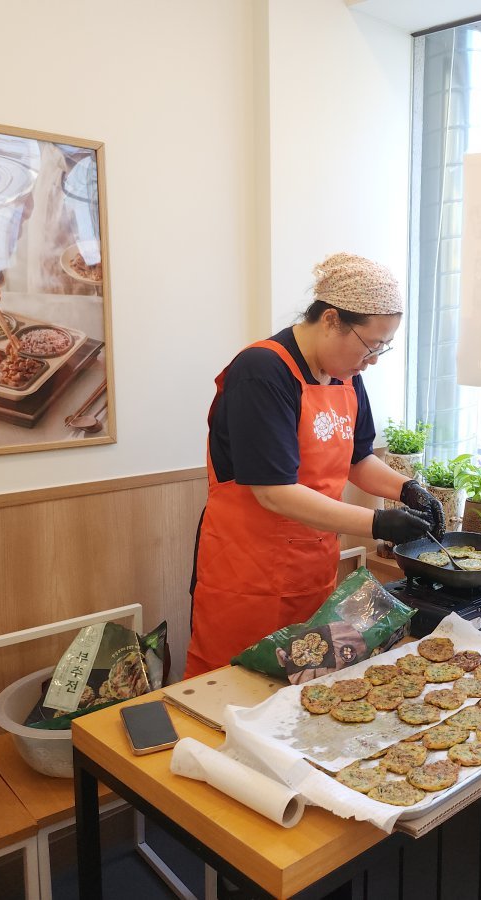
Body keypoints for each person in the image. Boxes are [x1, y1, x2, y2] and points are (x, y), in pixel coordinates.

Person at [185, 253, 443, 678]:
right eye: (371, 345)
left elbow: (358, 460)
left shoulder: (346, 374)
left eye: (384, 347)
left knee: (303, 688)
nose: (374, 359)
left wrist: (407, 489)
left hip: (313, 566)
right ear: (329, 320)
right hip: (247, 572)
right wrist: (377, 524)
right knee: (235, 688)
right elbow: (274, 490)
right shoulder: (262, 371)